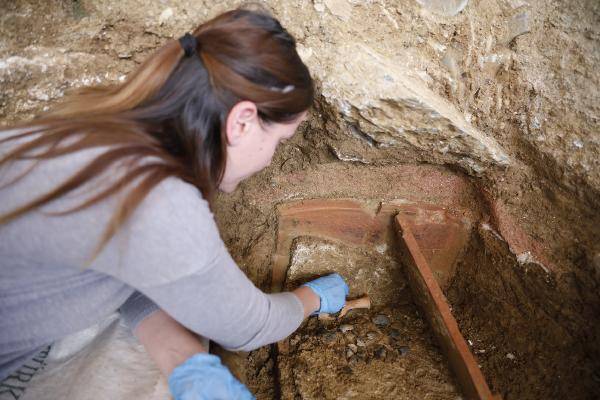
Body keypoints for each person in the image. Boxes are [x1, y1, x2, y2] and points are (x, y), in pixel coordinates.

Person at [0, 8, 349, 399]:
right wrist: (312, 299)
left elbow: (128, 277)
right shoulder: (160, 202)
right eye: (280, 140)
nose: (270, 158)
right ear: (242, 122)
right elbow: (249, 329)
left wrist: (182, 358)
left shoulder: (100, 125)